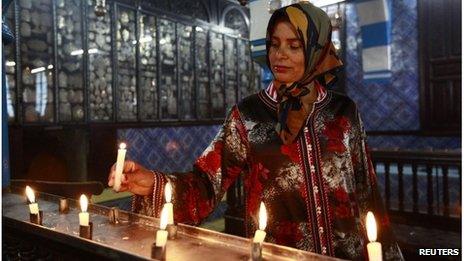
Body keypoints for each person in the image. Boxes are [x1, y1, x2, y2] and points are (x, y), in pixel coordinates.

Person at [108, 2, 403, 260]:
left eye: (294, 46)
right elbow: (206, 183)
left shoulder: (343, 111)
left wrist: (385, 253)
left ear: (317, 49)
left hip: (346, 255)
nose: (280, 55)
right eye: (275, 44)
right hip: (279, 256)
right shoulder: (248, 114)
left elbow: (367, 191)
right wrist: (154, 183)